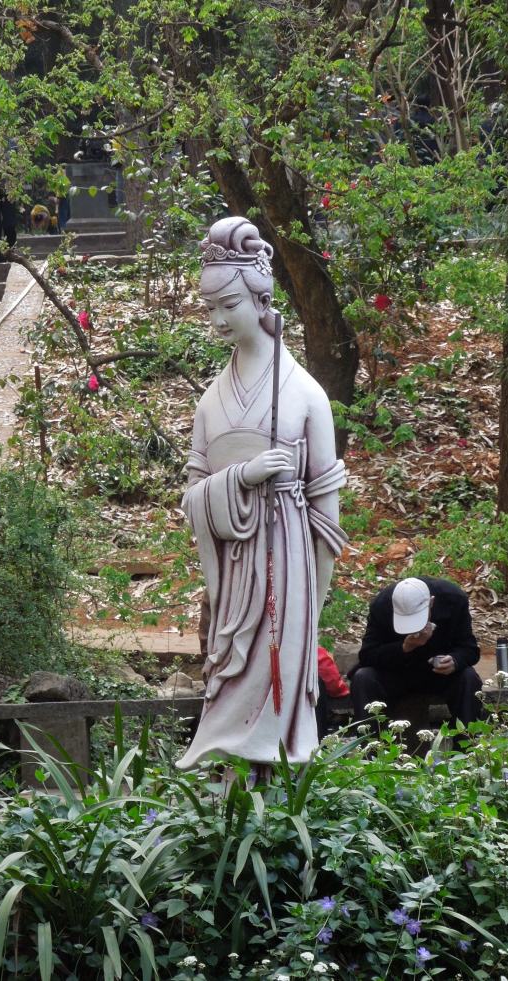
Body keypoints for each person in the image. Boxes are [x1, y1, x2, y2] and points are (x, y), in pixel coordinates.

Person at [176, 217, 347, 769]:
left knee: (278, 682)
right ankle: (227, 773)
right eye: (210, 308)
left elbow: (327, 517)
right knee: (230, 683)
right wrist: (243, 477)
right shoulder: (210, 402)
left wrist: (313, 604)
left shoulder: (306, 395)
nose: (218, 320)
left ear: (261, 299)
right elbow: (192, 500)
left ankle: (275, 771)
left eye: (229, 305)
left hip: (288, 567)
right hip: (234, 575)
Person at [350, 576, 483, 730]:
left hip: (439, 676)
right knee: (363, 678)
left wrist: (455, 660)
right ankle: (368, 743)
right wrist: (404, 648)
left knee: (469, 677)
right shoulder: (382, 604)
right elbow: (367, 655)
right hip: (395, 673)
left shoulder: (453, 599)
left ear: (431, 602)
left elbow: (469, 649)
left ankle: (466, 741)